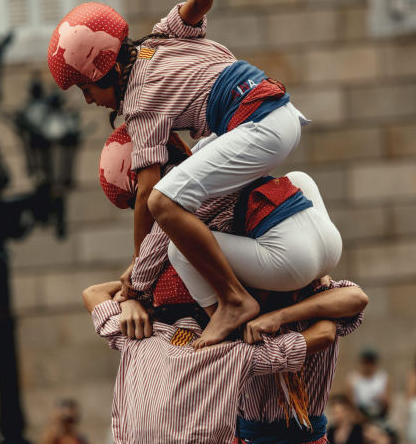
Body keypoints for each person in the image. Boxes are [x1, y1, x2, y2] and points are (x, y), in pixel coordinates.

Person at [51, 0, 313, 347]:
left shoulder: (138, 106)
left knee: (164, 202)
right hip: (278, 112)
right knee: (185, 189)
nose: (89, 100)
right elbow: (199, 1)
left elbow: (147, 193)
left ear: (104, 68)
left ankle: (233, 301)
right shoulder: (160, 37)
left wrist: (141, 279)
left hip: (258, 128)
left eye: (86, 88)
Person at [98, 125, 341, 343]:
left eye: (137, 206)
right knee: (298, 178)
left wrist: (133, 290)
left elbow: (160, 244)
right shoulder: (210, 155)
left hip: (291, 263)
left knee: (181, 248)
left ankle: (224, 315)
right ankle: (321, 275)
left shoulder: (175, 192)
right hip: (330, 244)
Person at [82, 280, 337, 443]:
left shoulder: (139, 339)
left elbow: (94, 292)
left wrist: (132, 298)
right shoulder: (232, 354)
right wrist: (314, 290)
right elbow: (324, 333)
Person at [234, 277, 368, 444]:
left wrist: (278, 317)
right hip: (250, 436)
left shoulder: (324, 292)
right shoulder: (243, 302)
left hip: (304, 436)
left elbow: (358, 298)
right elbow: (324, 333)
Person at [348, 349, 391, 423]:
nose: (368, 365)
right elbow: (350, 406)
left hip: (379, 415)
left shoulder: (383, 378)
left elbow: (388, 405)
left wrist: (383, 400)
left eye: (371, 362)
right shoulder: (352, 379)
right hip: (360, 417)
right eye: (366, 362)